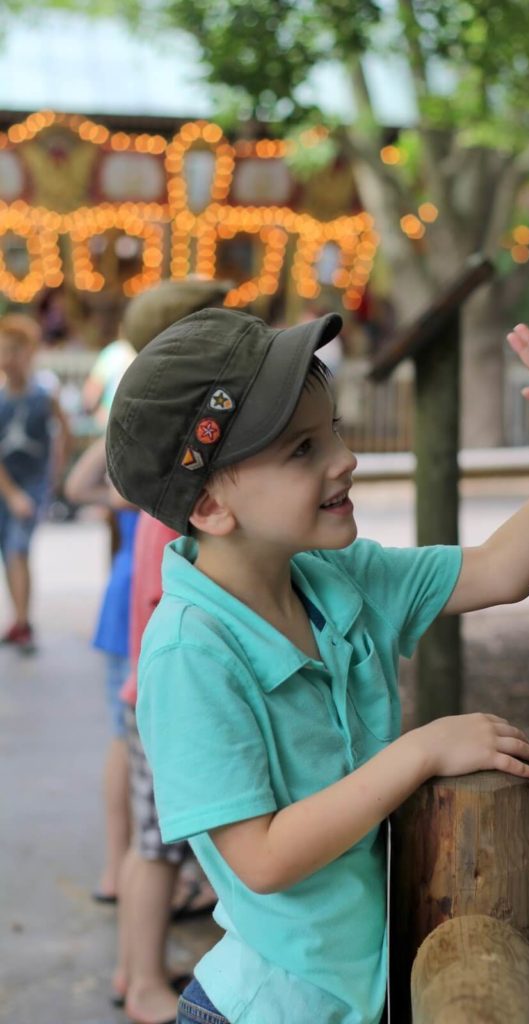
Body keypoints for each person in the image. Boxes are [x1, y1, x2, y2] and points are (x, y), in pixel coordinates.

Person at [105, 310, 529, 1024]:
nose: (343, 458)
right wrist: (418, 752)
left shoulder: (335, 578)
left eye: (335, 431)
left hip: (356, 995)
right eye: (301, 450)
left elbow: (501, 569)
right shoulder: (191, 652)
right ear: (210, 506)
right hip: (269, 1008)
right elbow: (261, 858)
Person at [108, 279, 227, 1024]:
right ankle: (144, 982)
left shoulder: (171, 480)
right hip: (158, 699)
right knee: (156, 849)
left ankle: (136, 968)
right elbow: (166, 617)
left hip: (144, 696)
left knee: (158, 845)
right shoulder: (176, 503)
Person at [64, 438, 138, 904]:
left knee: (122, 735)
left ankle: (119, 868)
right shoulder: (143, 443)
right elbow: (76, 488)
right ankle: (120, 867)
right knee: (126, 736)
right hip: (138, 598)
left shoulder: (124, 441)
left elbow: (76, 486)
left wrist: (109, 495)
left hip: (128, 589)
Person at [0, 313, 71, 652]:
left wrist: (55, 473)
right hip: (7, 488)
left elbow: (63, 430)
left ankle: (24, 621)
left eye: (14, 350)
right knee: (9, 552)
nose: (7, 359)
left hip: (28, 488)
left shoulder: (43, 395)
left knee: (17, 549)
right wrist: (10, 492)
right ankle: (18, 619)